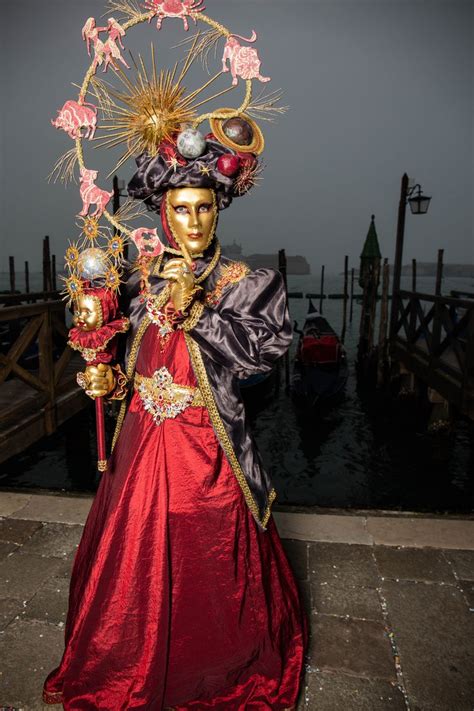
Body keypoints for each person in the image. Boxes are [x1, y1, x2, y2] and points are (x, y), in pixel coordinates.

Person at [43, 118, 308, 710]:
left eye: (205, 209)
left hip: (209, 448)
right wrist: (104, 374)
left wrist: (199, 313)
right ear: (163, 212)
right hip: (138, 443)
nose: (194, 222)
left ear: (219, 210)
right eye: (182, 209)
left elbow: (260, 356)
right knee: (129, 555)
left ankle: (214, 667)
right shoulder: (137, 279)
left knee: (209, 563)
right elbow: (129, 355)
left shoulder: (248, 282)